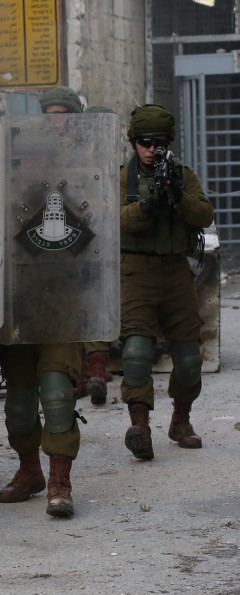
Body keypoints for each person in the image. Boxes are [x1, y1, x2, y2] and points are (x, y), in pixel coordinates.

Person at [0, 87, 87, 518]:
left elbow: (86, 250)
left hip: (61, 310)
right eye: (22, 159)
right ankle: (28, 469)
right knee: (18, 404)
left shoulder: (68, 189)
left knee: (56, 395)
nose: (30, 166)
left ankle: (59, 480)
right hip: (17, 312)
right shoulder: (0, 198)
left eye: (36, 158)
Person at [119, 104, 213, 459]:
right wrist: (146, 207)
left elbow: (205, 215)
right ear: (133, 142)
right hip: (136, 271)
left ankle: (180, 420)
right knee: (137, 353)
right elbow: (115, 220)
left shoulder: (181, 174)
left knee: (189, 358)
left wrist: (177, 196)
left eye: (158, 142)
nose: (150, 149)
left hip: (175, 271)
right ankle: (139, 427)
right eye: (144, 142)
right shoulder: (120, 176)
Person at [75, 104, 119, 405]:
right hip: (83, 241)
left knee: (91, 304)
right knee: (86, 304)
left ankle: (93, 369)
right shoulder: (85, 157)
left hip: (101, 242)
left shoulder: (115, 161)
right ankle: (91, 370)